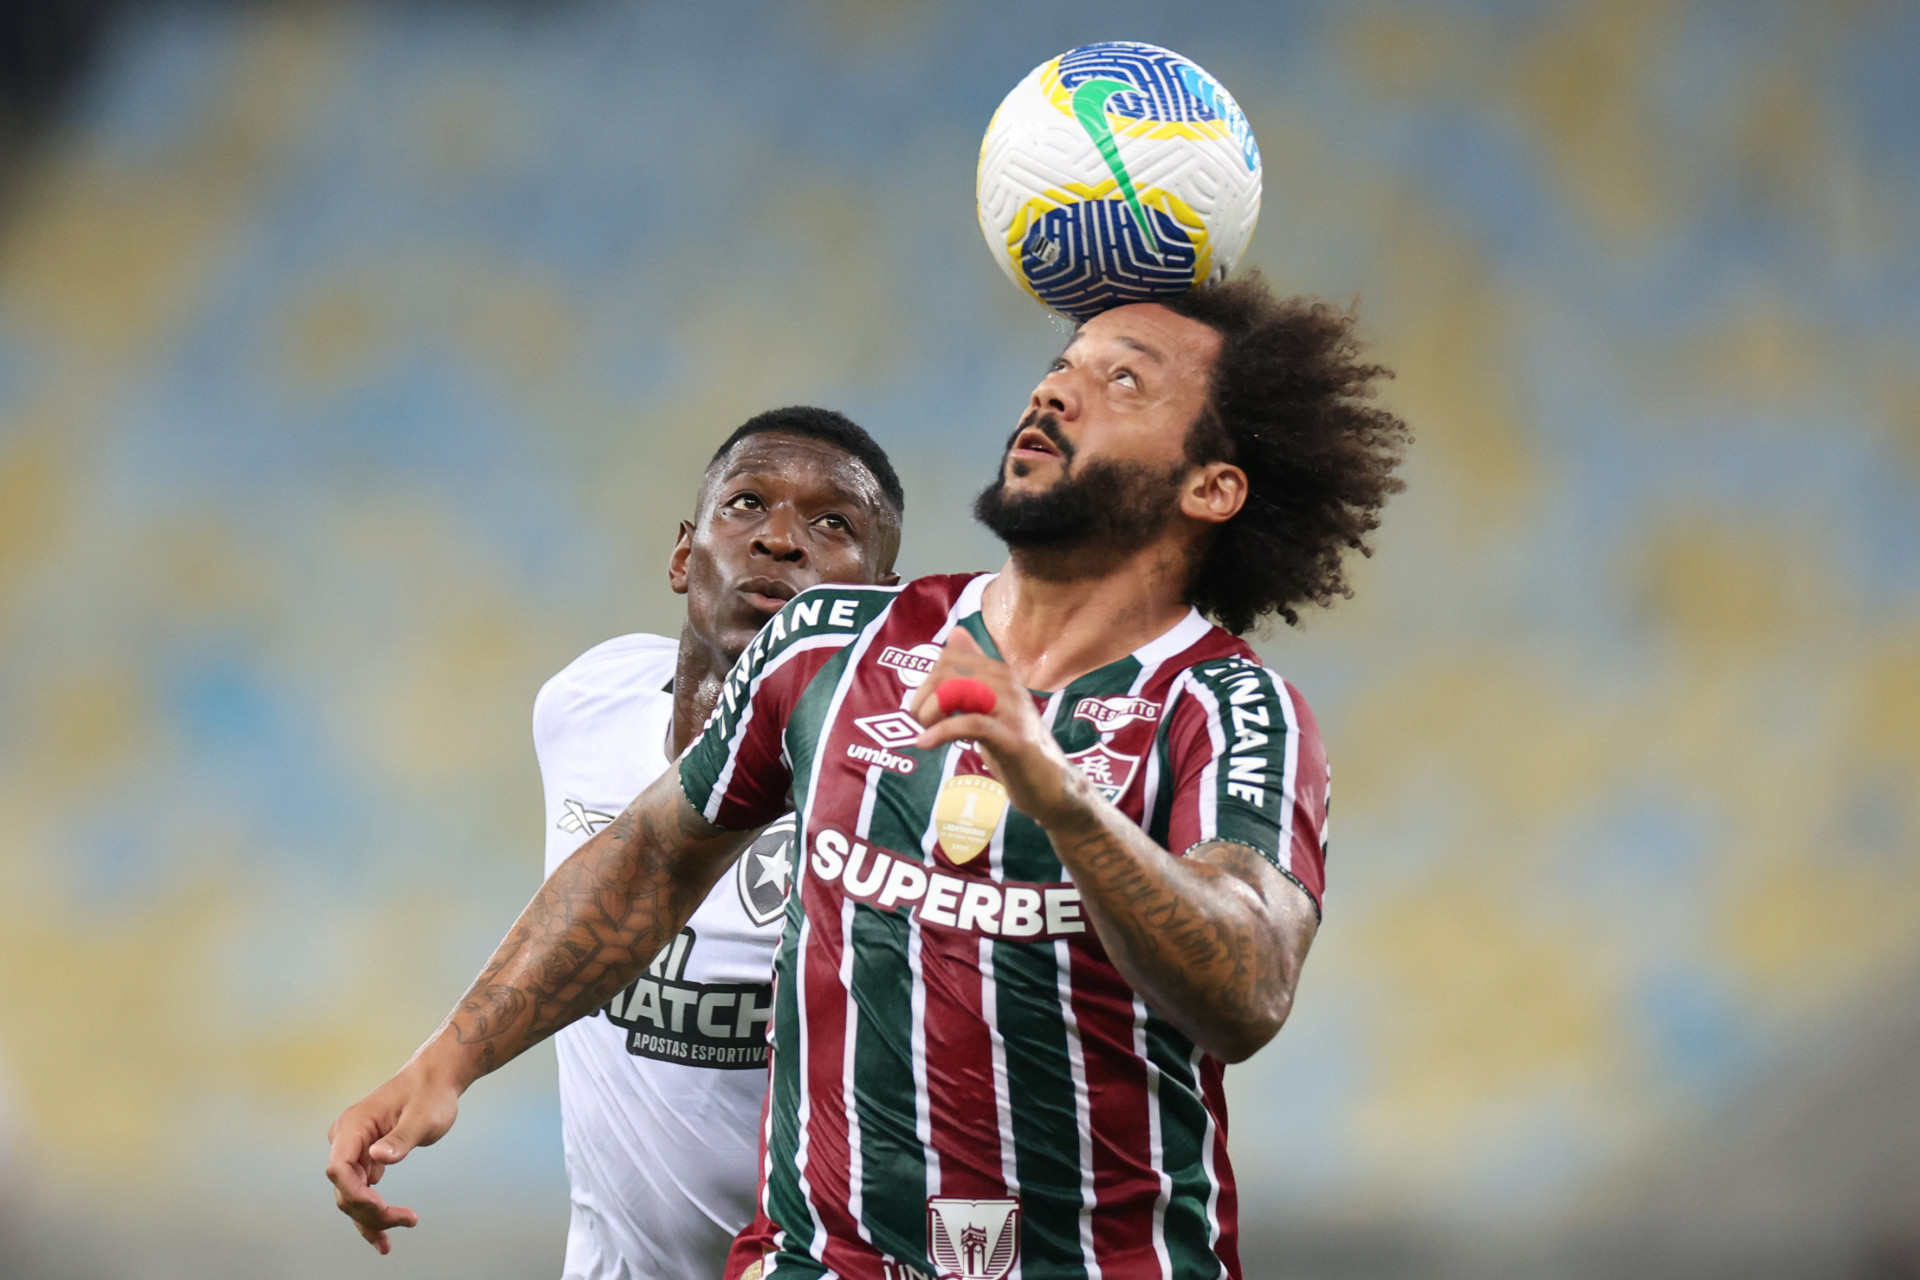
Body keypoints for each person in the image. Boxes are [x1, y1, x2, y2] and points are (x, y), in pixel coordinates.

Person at [328, 274, 1410, 1280]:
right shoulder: (832, 641)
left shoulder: (1223, 707)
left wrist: (1061, 797)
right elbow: (656, 854)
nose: (1057, 390)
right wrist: (451, 1058)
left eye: (1121, 378)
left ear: (1212, 486)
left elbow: (1250, 986)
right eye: (1062, 366)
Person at [443, 406, 904, 1273]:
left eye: (832, 523)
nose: (778, 540)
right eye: (745, 504)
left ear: (882, 601)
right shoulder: (587, 700)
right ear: (683, 555)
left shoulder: (901, 791)